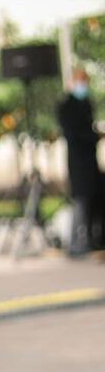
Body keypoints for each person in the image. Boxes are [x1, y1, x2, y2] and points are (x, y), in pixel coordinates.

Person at [57, 68, 105, 254]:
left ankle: (92, 240)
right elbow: (73, 134)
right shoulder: (66, 106)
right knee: (80, 202)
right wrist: (94, 136)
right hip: (77, 163)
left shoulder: (86, 103)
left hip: (91, 162)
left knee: (93, 200)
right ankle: (74, 244)